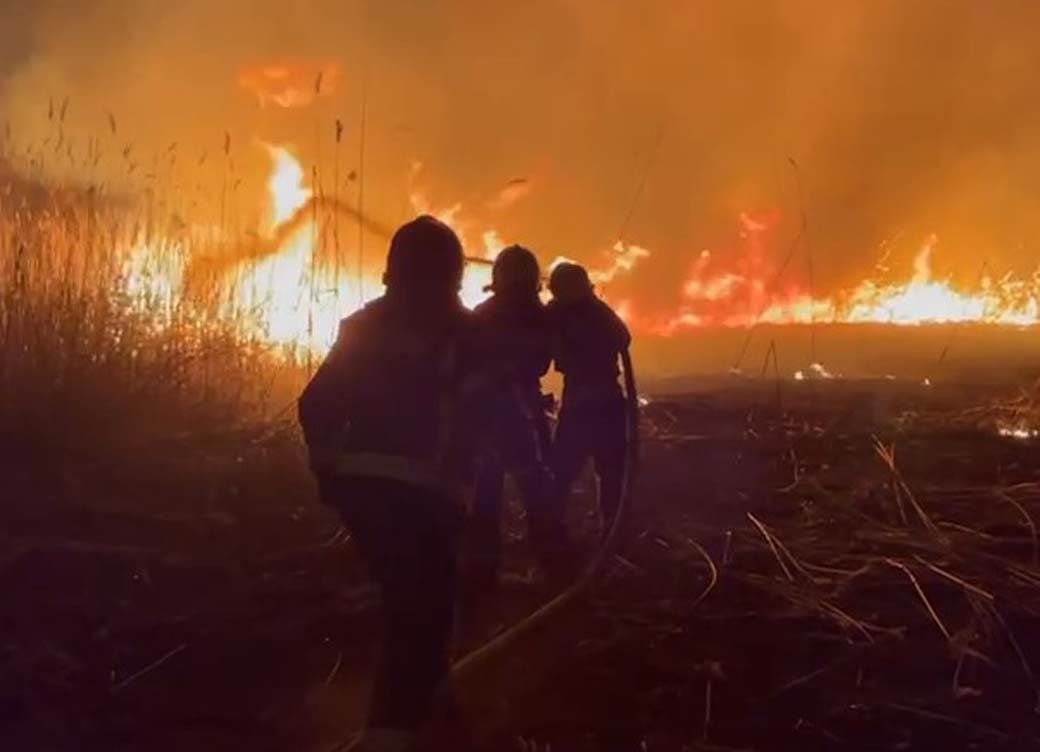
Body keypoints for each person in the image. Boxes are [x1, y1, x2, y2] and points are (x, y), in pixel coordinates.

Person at [298, 215, 478, 752]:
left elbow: (316, 404)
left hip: (365, 490)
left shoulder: (361, 324)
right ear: (454, 274)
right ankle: (391, 733)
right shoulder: (466, 332)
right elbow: (492, 406)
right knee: (421, 605)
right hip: (429, 494)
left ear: (391, 272)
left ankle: (433, 707)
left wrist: (329, 472)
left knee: (419, 599)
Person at [468, 245, 566, 588]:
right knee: (535, 486)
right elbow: (543, 363)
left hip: (491, 412)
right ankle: (552, 564)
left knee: (487, 490)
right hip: (519, 409)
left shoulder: (481, 316)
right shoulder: (541, 317)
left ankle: (483, 572)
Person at [546, 261, 632, 534]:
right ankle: (561, 525)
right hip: (597, 403)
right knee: (574, 471)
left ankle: (607, 527)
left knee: (593, 471)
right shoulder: (581, 313)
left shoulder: (581, 315)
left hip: (591, 404)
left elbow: (622, 337)